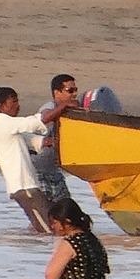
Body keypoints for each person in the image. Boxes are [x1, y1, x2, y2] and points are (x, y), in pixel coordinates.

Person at [0, 86, 70, 232]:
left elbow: (37, 140)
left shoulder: (12, 129)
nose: (17, 105)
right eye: (13, 102)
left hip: (30, 187)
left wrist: (57, 141)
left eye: (17, 101)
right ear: (2, 106)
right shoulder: (4, 123)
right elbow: (36, 121)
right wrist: (64, 106)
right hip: (24, 188)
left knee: (47, 224)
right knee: (48, 231)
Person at [33, 74, 81, 206]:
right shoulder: (50, 106)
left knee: (65, 207)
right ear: (57, 92)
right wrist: (64, 106)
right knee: (45, 211)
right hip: (39, 170)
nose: (74, 94)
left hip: (54, 170)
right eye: (70, 91)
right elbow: (44, 118)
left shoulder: (70, 110)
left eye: (75, 90)